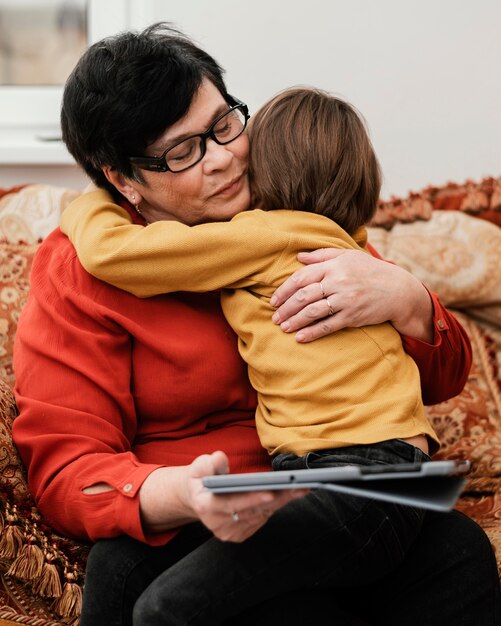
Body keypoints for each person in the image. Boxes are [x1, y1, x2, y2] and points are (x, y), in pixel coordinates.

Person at [12, 22, 499, 626]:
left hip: (331, 487)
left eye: (224, 125)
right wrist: (182, 492)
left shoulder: (287, 212)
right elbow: (68, 471)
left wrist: (407, 300)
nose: (223, 160)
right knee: (123, 568)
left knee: (457, 552)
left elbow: (441, 375)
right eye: (184, 151)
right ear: (123, 180)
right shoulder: (81, 271)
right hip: (206, 505)